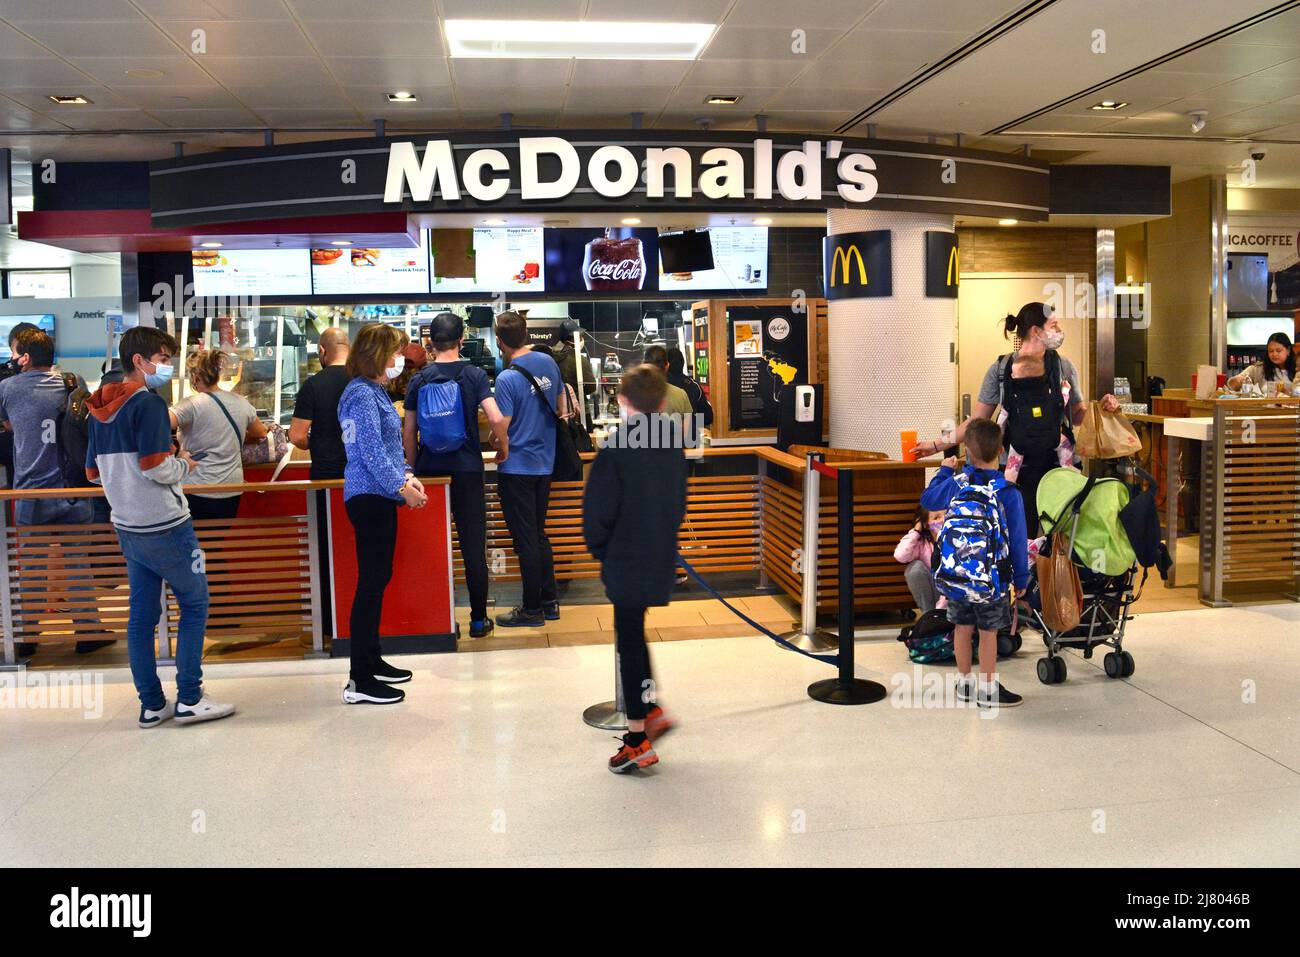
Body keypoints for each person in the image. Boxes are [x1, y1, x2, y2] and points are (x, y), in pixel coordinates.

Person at [86, 326, 235, 728]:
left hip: (128, 526)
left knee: (141, 617)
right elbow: (154, 466)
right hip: (167, 525)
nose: (166, 367)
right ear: (139, 360)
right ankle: (189, 697)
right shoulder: (147, 404)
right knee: (194, 603)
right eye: (163, 359)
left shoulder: (98, 407)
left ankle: (151, 704)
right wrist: (184, 464)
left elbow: (92, 473)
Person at [912, 302, 1119, 536]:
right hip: (1014, 470)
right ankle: (1021, 573)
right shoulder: (1001, 370)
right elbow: (977, 423)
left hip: (1058, 468)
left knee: (1059, 538)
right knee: (1017, 535)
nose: (1059, 329)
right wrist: (936, 445)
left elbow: (1078, 415)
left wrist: (1100, 409)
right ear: (1035, 331)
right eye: (1054, 325)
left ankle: (1053, 574)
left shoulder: (1063, 367)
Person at [584, 364, 687, 773]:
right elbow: (678, 504)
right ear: (662, 402)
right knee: (635, 635)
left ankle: (637, 739)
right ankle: (650, 708)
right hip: (658, 552)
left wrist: (600, 551)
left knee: (628, 643)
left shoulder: (615, 447)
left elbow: (597, 513)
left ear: (621, 401)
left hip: (624, 557)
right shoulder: (672, 444)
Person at [0, 327, 110, 657]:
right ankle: (88, 632)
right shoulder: (72, 383)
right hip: (73, 490)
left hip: (31, 492)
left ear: (25, 357)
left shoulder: (8, 387)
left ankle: (27, 638)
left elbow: (8, 426)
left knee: (31, 567)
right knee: (77, 563)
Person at [403, 312, 509, 640]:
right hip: (466, 469)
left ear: (430, 342)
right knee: (473, 545)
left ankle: (439, 620)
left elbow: (409, 430)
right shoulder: (474, 374)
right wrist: (501, 446)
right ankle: (479, 620)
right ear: (462, 339)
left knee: (432, 547)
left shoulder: (419, 379)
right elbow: (496, 417)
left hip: (430, 473)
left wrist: (412, 468)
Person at [338, 322, 428, 705]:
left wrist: (407, 475)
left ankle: (371, 660)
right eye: (394, 353)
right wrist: (400, 488)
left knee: (378, 578)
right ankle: (359, 679)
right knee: (371, 582)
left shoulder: (372, 391)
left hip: (379, 494)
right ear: (377, 354)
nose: (398, 361)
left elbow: (388, 449)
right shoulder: (360, 394)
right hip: (369, 496)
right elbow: (370, 451)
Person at [920, 418, 1030, 709]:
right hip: (992, 579)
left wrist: (944, 471)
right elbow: (1018, 540)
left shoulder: (957, 484)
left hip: (957, 577)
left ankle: (964, 683)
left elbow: (929, 498)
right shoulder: (1007, 491)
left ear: (967, 451)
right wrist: (1021, 579)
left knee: (962, 627)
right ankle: (988, 688)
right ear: (1001, 450)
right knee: (988, 632)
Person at [492, 310, 564, 628]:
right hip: (544, 463)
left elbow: (501, 426)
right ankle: (549, 602)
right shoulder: (547, 363)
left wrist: (500, 446)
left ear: (499, 341)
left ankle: (532, 608)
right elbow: (562, 407)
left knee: (525, 540)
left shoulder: (507, 378)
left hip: (517, 467)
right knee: (537, 534)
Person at [168, 349, 267, 520]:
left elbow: (157, 425)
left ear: (195, 377)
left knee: (197, 542)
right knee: (217, 541)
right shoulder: (241, 403)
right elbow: (260, 432)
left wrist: (176, 451)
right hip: (232, 490)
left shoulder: (190, 405)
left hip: (197, 487)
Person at [289, 327, 350, 480]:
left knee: (327, 505)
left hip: (326, 471)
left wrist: (315, 443)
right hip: (362, 473)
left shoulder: (313, 385)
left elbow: (296, 436)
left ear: (322, 350)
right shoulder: (366, 381)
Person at [894, 505, 946, 614]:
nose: (943, 520)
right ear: (926, 525)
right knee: (914, 568)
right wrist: (916, 530)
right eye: (936, 518)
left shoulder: (959, 541)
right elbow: (900, 555)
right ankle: (929, 616)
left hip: (954, 598)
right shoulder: (921, 544)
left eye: (946, 515)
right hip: (934, 593)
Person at [1227, 332, 1298, 392]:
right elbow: (1231, 385)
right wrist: (1236, 381)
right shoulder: (1259, 369)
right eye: (1271, 351)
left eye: (1278, 350)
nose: (1274, 354)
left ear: (1288, 350)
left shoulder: (1297, 369)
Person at [665, 346, 713, 427]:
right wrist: (691, 423)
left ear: (666, 365)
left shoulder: (656, 387)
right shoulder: (694, 386)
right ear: (683, 363)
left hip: (662, 437)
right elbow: (707, 418)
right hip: (689, 437)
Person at [642, 344, 694, 419]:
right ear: (667, 366)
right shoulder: (681, 394)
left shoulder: (631, 395)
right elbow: (690, 429)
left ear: (644, 365)